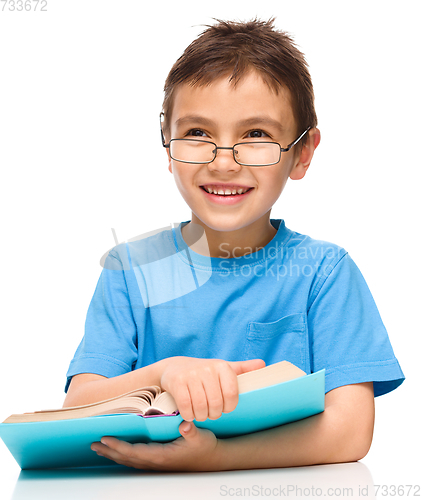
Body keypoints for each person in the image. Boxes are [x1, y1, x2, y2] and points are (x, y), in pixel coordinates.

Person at [63, 18, 404, 471]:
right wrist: (164, 373)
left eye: (256, 135)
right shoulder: (132, 269)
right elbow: (74, 409)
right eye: (199, 133)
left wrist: (218, 456)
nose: (224, 162)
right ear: (167, 144)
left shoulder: (324, 272)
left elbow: (351, 431)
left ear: (303, 153)